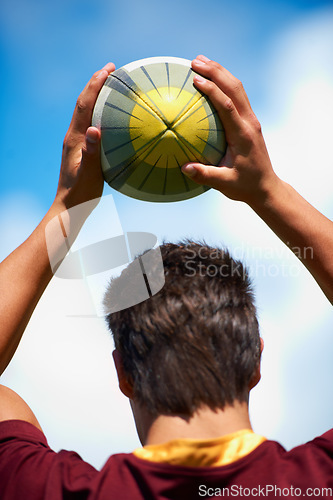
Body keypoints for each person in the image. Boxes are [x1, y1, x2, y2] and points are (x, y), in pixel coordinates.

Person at [0, 55, 332, 499]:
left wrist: (68, 208)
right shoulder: (318, 480)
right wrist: (268, 190)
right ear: (256, 360)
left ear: (124, 374)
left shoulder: (52, 490)